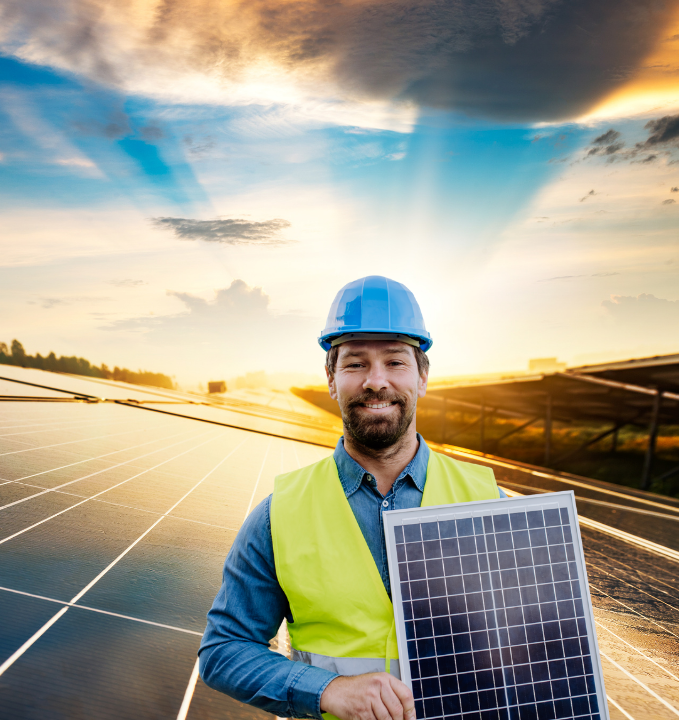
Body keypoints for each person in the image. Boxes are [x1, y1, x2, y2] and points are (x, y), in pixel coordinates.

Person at [199, 276, 504, 720]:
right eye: (356, 364)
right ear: (331, 379)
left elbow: (539, 647)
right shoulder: (280, 514)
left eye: (396, 362)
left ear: (422, 377)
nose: (376, 382)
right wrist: (328, 690)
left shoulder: (490, 502)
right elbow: (224, 650)